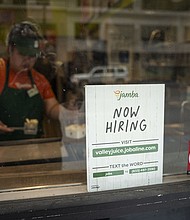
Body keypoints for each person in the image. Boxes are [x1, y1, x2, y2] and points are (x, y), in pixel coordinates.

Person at [0, 21, 61, 141]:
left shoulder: (39, 80)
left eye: (32, 55)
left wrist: (68, 113)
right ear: (9, 49)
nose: (27, 60)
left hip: (33, 146)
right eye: (22, 54)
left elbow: (51, 107)